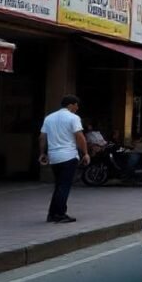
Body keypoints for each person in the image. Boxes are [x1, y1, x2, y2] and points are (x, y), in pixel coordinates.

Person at [40, 95, 89, 223]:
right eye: (76, 105)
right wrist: (85, 153)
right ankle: (60, 214)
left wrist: (42, 153)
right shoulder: (73, 118)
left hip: (54, 157)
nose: (77, 108)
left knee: (59, 185)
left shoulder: (49, 118)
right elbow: (80, 137)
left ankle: (52, 214)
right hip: (69, 156)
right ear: (70, 105)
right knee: (64, 186)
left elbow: (42, 137)